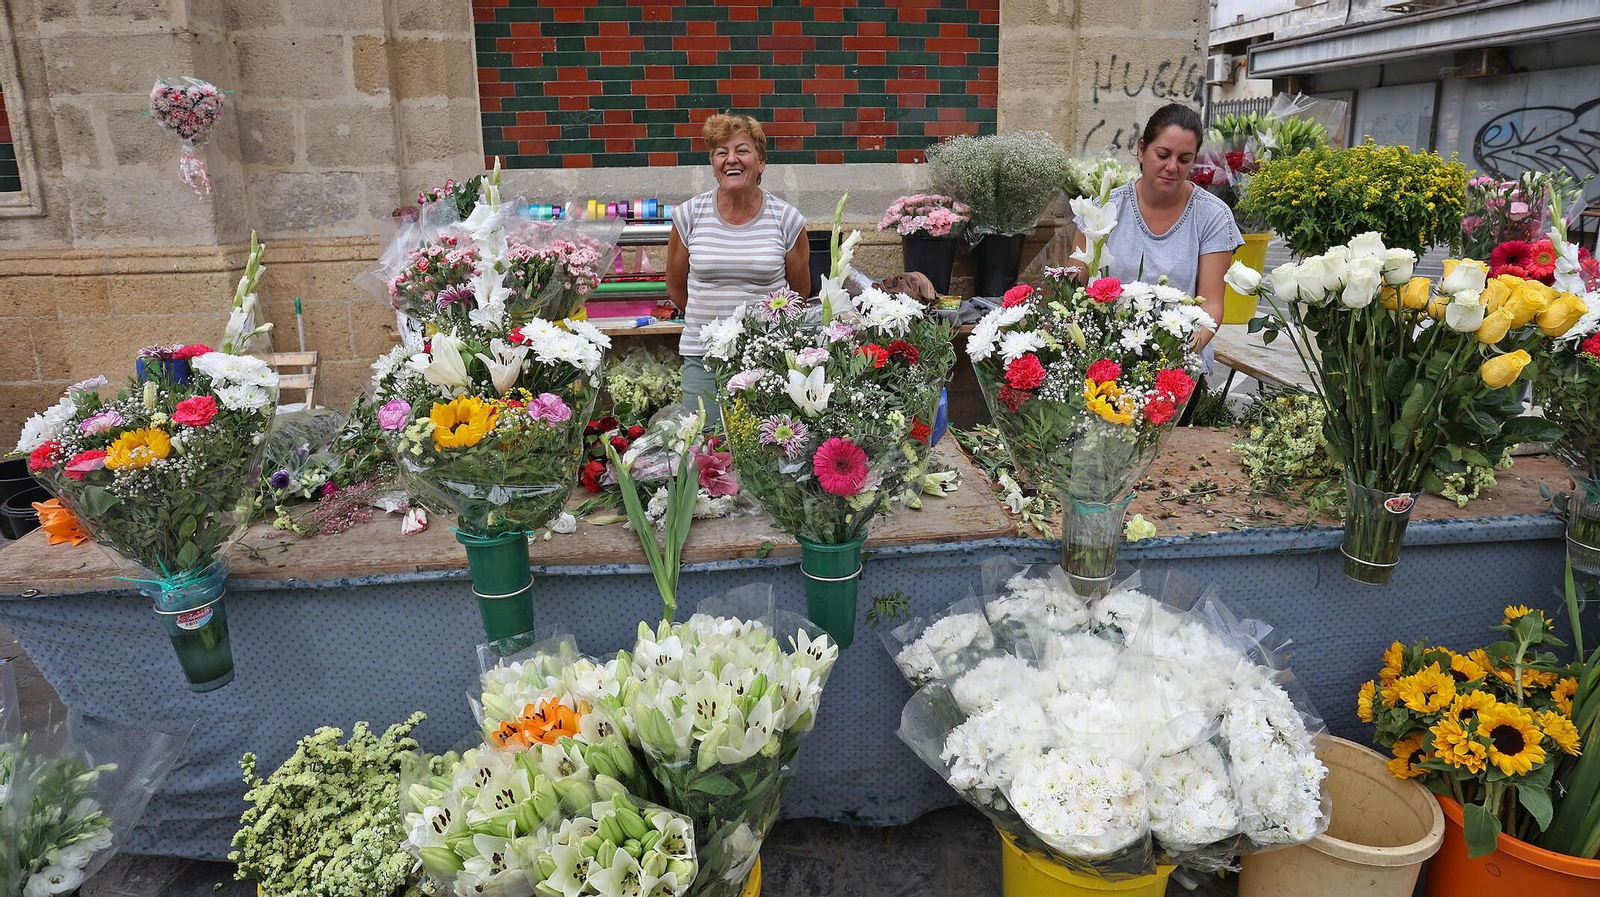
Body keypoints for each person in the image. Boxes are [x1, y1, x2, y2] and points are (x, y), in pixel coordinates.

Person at [667, 114, 809, 426]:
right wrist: (713, 327)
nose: (732, 159)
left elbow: (799, 293)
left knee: (766, 453)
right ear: (713, 164)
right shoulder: (688, 216)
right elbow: (676, 289)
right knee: (703, 450)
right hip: (704, 358)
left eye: (742, 150)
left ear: (761, 162)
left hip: (767, 360)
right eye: (721, 152)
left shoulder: (787, 220)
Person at [1073, 103, 1241, 353]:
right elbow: (1074, 288)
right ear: (1142, 149)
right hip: (1105, 355)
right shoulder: (1104, 208)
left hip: (1180, 358)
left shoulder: (1212, 216)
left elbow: (1212, 306)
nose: (1172, 167)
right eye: (1163, 155)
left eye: (1184, 159)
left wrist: (1173, 359)